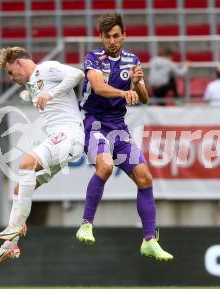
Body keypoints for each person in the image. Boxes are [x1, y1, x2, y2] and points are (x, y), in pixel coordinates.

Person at [76, 13, 173, 261]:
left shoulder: (132, 60)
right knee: (105, 166)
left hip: (118, 127)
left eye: (116, 36)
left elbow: (144, 98)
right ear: (101, 37)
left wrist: (138, 83)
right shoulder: (93, 59)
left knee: (145, 178)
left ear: (124, 35)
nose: (112, 41)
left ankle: (149, 240)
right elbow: (98, 87)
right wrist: (124, 91)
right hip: (94, 122)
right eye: (107, 36)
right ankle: (86, 224)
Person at [0, 47, 85, 265]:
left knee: (26, 163)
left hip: (69, 135)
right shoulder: (32, 84)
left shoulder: (46, 69)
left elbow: (78, 75)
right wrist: (30, 94)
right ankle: (9, 247)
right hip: (62, 141)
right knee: (20, 189)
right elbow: (35, 91)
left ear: (19, 63)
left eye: (11, 72)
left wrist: (51, 93)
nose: (11, 78)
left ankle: (16, 227)